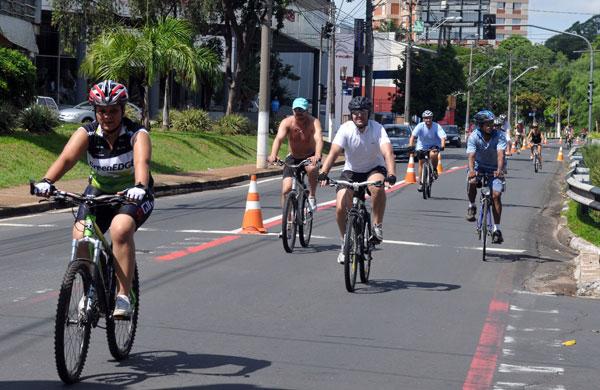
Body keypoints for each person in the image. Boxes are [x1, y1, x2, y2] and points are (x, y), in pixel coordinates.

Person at [33, 80, 154, 319]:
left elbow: (142, 164)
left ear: (122, 110)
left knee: (120, 230)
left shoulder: (137, 134)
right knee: (81, 235)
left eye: (113, 111)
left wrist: (139, 186)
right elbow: (66, 159)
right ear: (95, 111)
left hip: (131, 194)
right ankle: (91, 290)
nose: (107, 116)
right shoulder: (87, 133)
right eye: (101, 111)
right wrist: (47, 182)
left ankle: (123, 296)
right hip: (98, 193)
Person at [317, 96, 396, 264]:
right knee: (340, 206)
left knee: (377, 187)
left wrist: (391, 174)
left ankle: (377, 226)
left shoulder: (378, 129)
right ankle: (345, 242)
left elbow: (388, 152)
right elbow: (333, 153)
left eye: (362, 112)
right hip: (351, 171)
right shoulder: (345, 129)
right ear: (351, 115)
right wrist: (323, 172)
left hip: (374, 169)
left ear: (369, 113)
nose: (358, 116)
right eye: (355, 113)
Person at [267, 97, 323, 211]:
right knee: (286, 189)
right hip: (293, 157)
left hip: (309, 156)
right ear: (293, 111)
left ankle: (312, 196)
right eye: (296, 110)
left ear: (307, 111)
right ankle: (287, 221)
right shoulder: (287, 122)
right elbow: (278, 139)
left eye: (301, 110)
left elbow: (319, 139)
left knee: (312, 169)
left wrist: (317, 155)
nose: (299, 113)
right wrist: (273, 155)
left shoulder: (314, 122)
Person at [465, 110, 506, 244]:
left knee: (496, 195)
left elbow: (500, 154)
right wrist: (471, 171)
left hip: (495, 168)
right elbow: (471, 155)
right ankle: (471, 206)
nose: (491, 126)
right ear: (480, 125)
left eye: (492, 123)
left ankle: (496, 230)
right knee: (471, 181)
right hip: (478, 166)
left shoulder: (499, 135)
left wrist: (499, 170)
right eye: (487, 124)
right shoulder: (473, 136)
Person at [408, 110, 446, 192]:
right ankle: (421, 183)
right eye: (426, 118)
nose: (428, 120)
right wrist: (410, 146)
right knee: (421, 163)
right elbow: (412, 136)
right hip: (422, 146)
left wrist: (442, 145)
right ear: (423, 119)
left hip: (434, 145)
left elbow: (442, 137)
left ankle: (435, 169)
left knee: (433, 154)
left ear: (432, 118)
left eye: (429, 118)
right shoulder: (420, 126)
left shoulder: (437, 126)